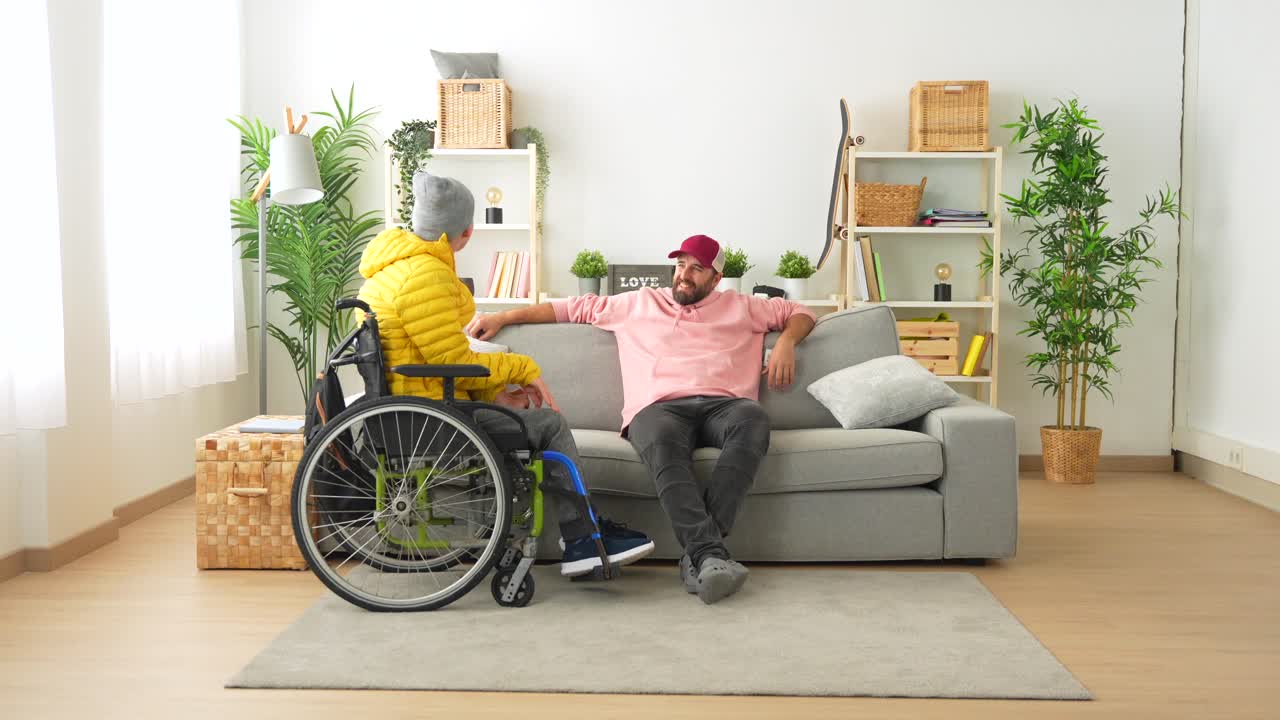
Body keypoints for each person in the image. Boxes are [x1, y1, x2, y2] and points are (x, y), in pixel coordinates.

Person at [467, 234, 816, 603]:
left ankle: (701, 553)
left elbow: (802, 314)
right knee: (663, 442)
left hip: (725, 406)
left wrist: (785, 343)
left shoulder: (743, 306)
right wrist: (503, 316)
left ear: (716, 279)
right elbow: (567, 309)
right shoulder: (638, 303)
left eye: (698, 268)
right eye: (681, 265)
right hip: (658, 408)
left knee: (753, 420)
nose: (685, 274)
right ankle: (709, 555)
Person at [356, 172, 654, 577]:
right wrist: (522, 368)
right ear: (466, 231)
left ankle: (578, 533)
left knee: (525, 418)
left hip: (408, 410)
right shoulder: (424, 275)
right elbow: (449, 360)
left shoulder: (386, 272)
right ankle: (582, 537)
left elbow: (433, 359)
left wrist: (494, 392)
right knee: (548, 423)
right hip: (428, 418)